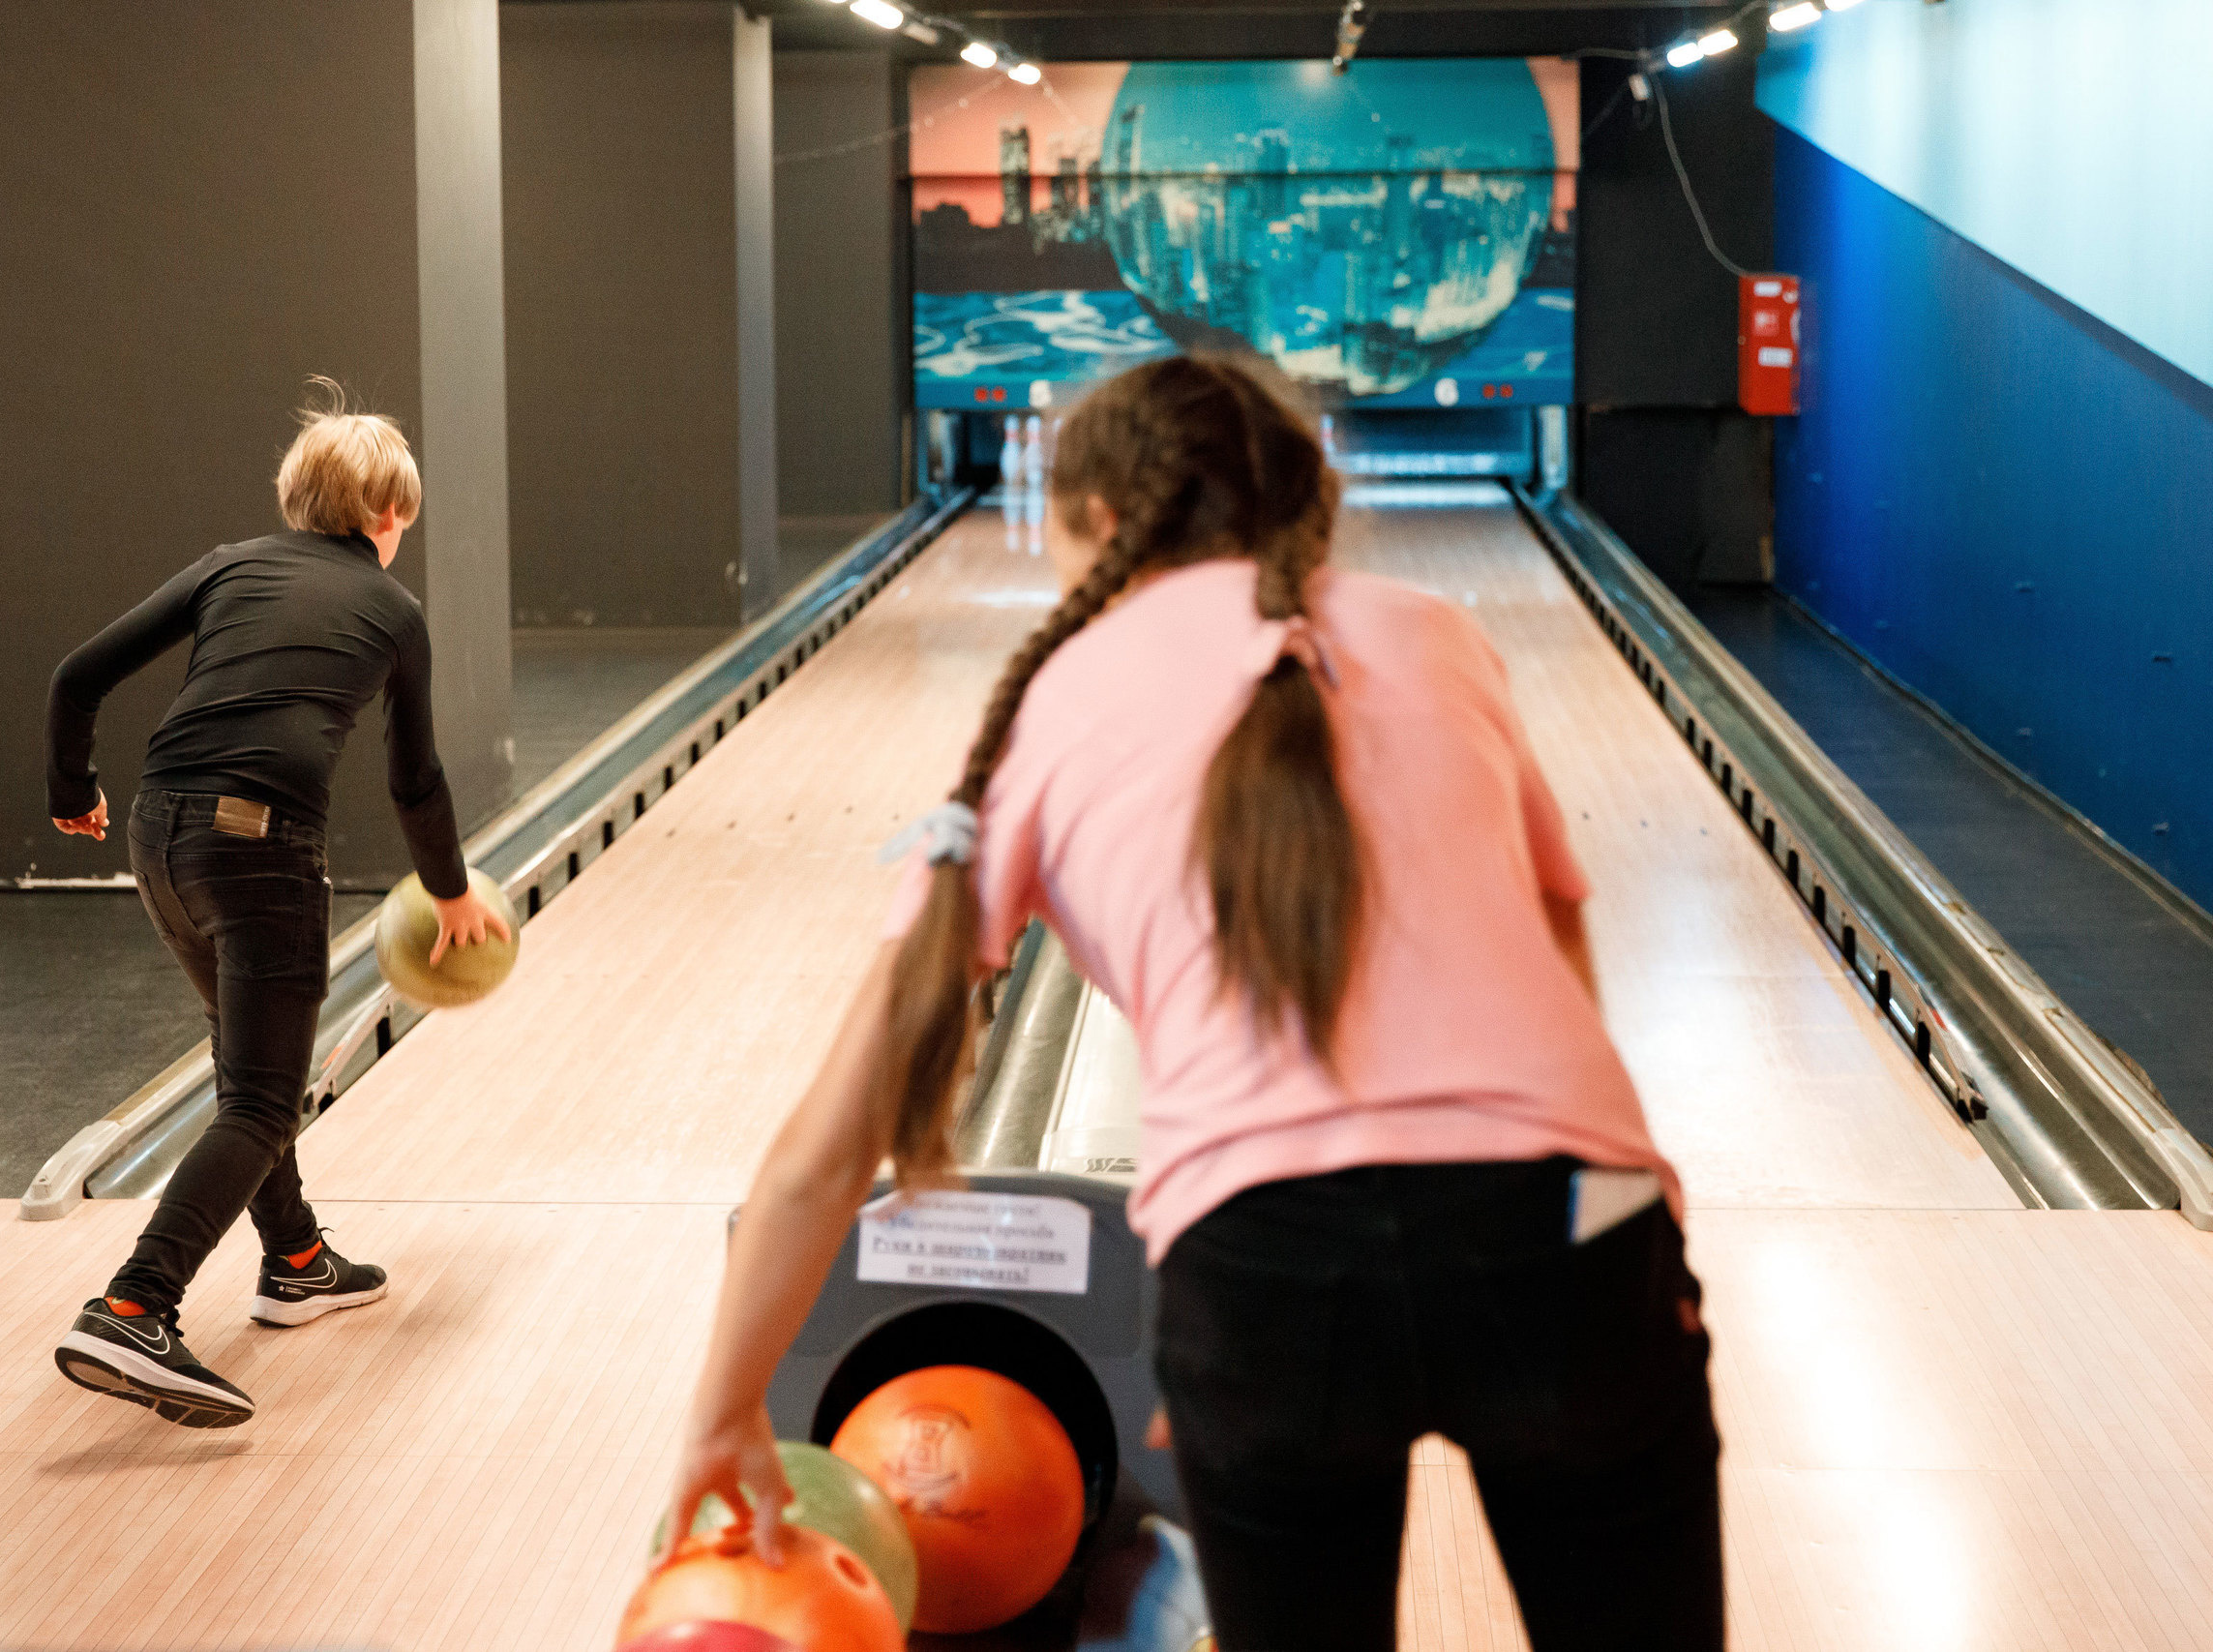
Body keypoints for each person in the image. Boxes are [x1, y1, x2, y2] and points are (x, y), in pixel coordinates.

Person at [661, 356, 1722, 1647]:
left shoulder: (1051, 703)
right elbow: (1561, 945)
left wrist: (722, 1411)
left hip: (1262, 1260)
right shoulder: (1439, 632)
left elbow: (829, 1148)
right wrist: (1626, 1205)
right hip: (1577, 1218)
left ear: (1101, 519)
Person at [43, 381, 508, 1429]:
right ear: (387, 513)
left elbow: (77, 676)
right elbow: (415, 778)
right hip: (259, 848)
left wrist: (72, 790)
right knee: (260, 1101)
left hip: (157, 833)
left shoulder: (227, 565)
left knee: (242, 1058)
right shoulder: (394, 611)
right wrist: (449, 891)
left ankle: (295, 1260)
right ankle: (134, 1306)